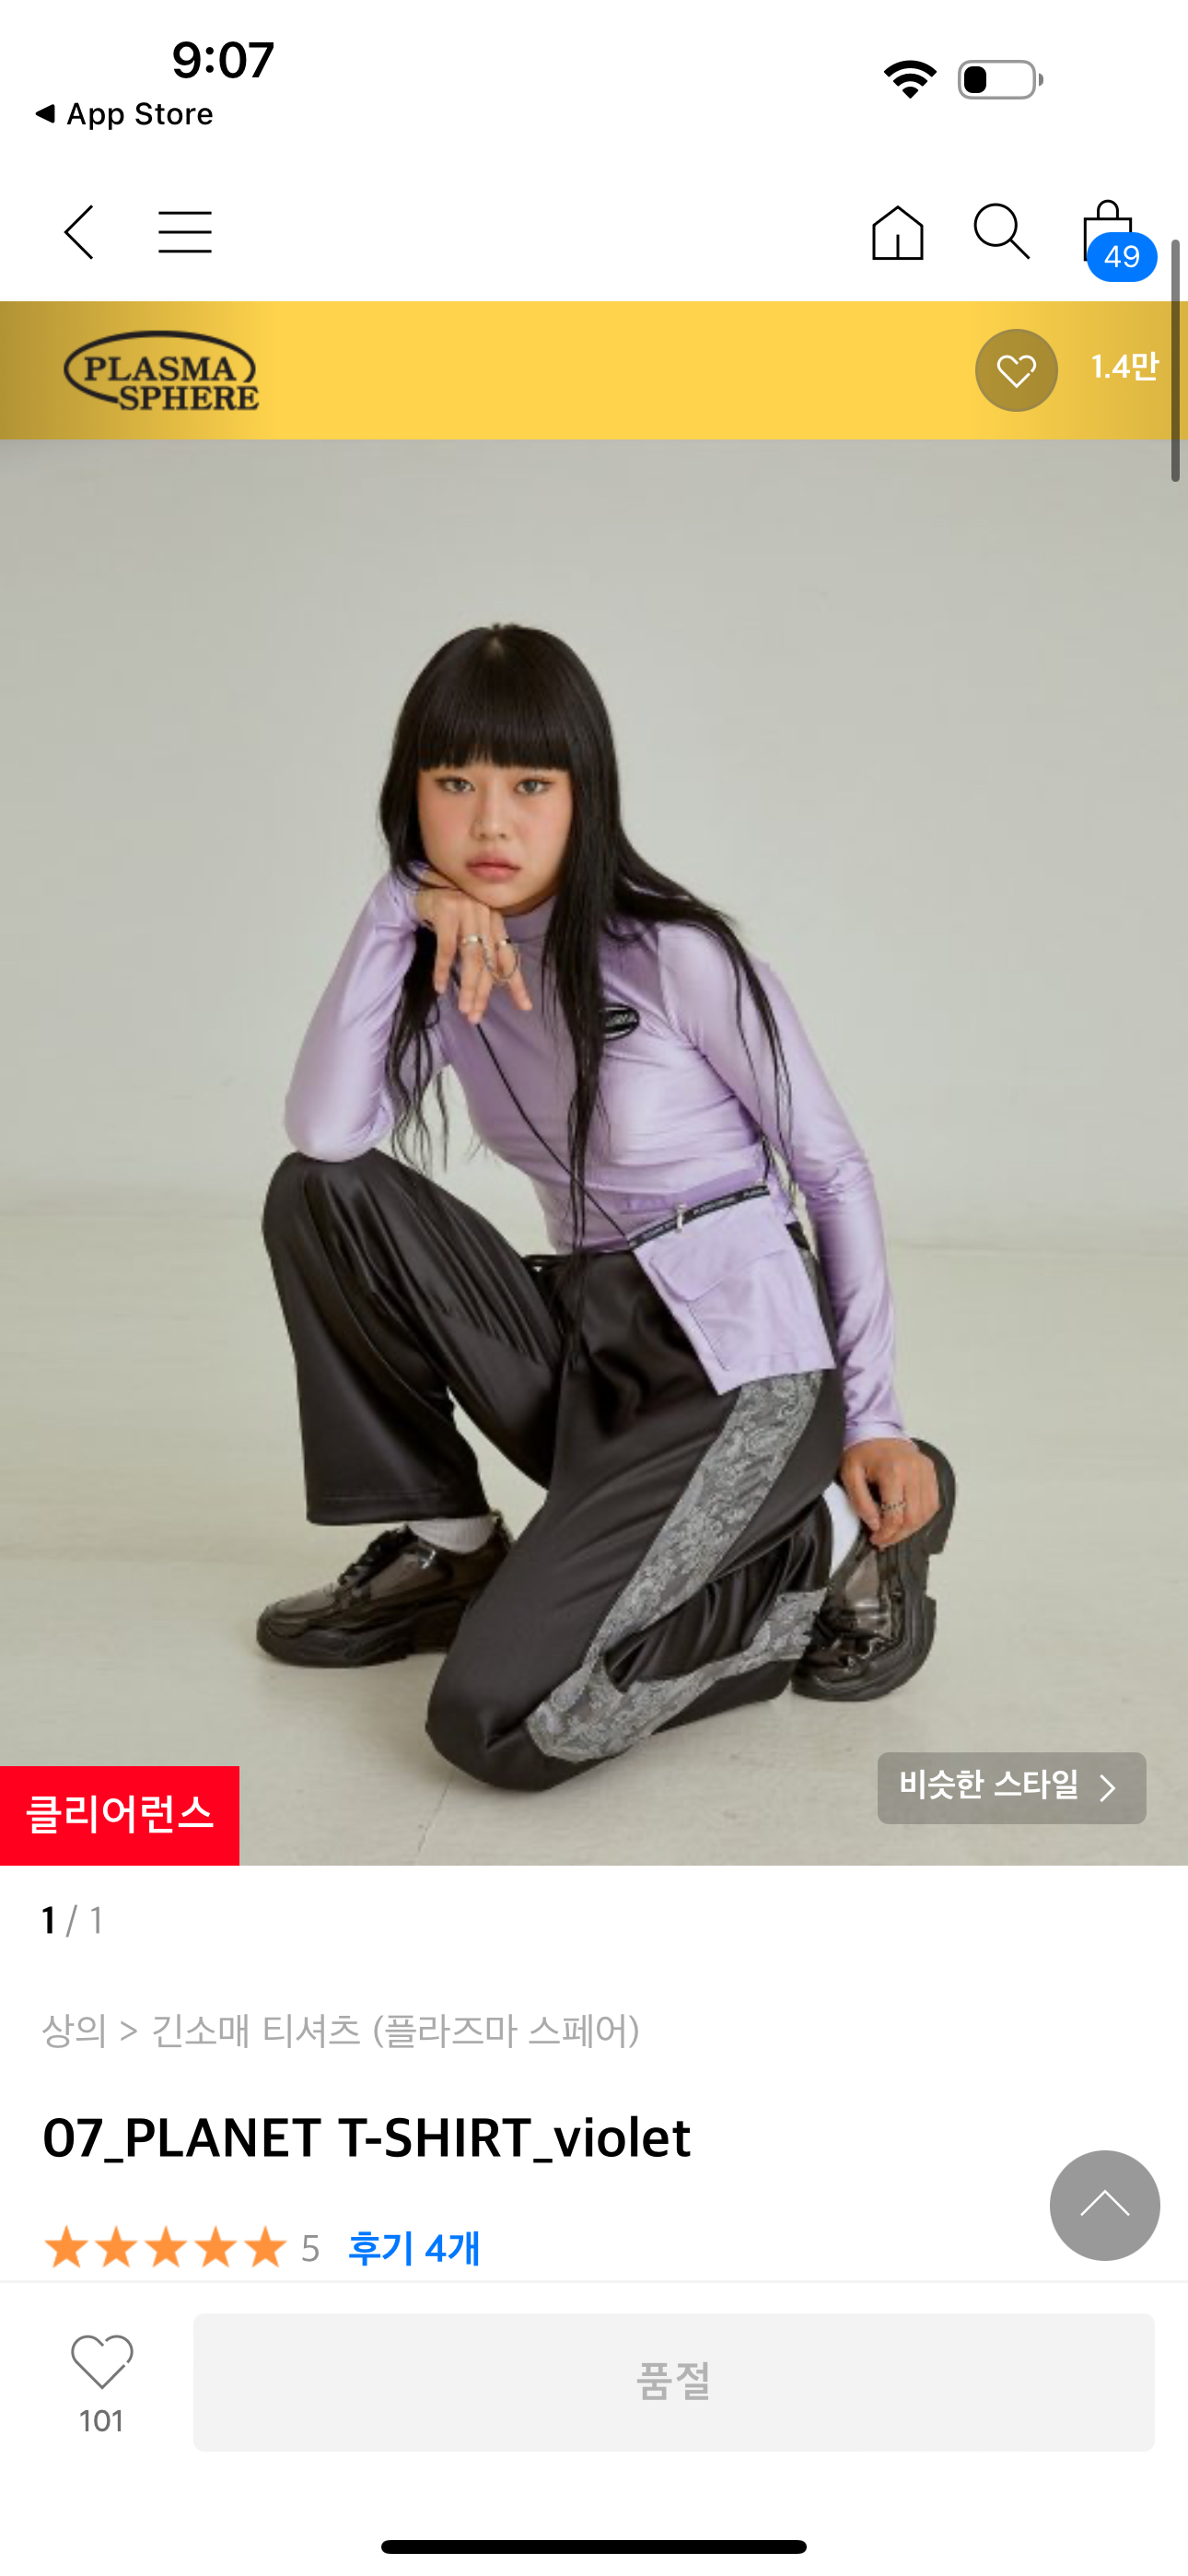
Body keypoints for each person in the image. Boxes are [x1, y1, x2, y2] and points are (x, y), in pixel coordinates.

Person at [258, 623, 956, 1792]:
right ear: (412, 796)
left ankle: (822, 1548)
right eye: (455, 784)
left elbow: (832, 1171)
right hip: (588, 1346)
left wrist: (873, 1418)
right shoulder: (444, 964)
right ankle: (452, 1547)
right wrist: (394, 908)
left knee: (501, 1721)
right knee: (322, 1195)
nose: (490, 824)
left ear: (586, 793)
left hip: (740, 1369)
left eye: (530, 785)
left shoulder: (675, 956)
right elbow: (329, 1135)